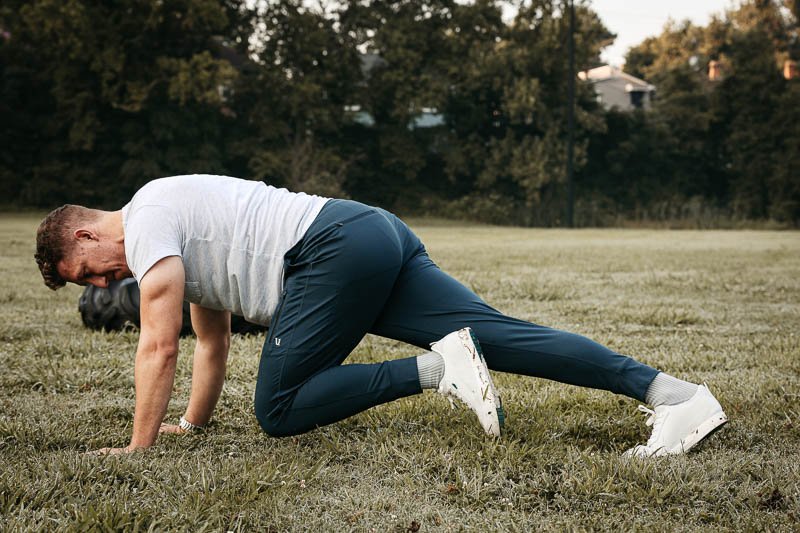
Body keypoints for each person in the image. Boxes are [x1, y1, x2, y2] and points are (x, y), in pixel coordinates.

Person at [34, 174, 728, 457]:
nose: (107, 280)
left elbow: (158, 348)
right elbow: (207, 343)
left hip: (330, 250)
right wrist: (189, 424)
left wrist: (137, 447)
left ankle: (437, 367)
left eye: (92, 270)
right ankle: (676, 396)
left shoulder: (149, 222)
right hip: (366, 231)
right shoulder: (171, 226)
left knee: (277, 406)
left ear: (87, 234)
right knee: (501, 337)